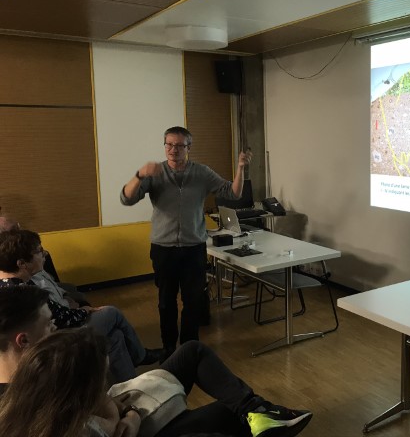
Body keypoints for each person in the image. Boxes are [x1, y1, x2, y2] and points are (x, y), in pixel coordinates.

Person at [0, 309, 313, 437]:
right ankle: (259, 415)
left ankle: (259, 412)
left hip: (130, 419)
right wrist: (129, 415)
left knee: (200, 363)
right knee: (228, 417)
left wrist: (126, 411)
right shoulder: (77, 427)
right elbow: (111, 417)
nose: (55, 325)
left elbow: (107, 406)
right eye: (49, 325)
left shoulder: (42, 389)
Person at [121, 126, 251, 359]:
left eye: (180, 145)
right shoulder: (155, 172)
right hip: (164, 249)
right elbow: (127, 198)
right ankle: (169, 348)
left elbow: (233, 193)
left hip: (193, 249)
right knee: (166, 302)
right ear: (165, 146)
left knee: (193, 302)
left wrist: (241, 168)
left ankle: (189, 348)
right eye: (169, 144)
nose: (173, 150)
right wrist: (139, 174)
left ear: (189, 147)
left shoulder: (201, 172)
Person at [0, 229, 162, 383]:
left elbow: (56, 314)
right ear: (22, 263)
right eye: (39, 251)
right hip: (54, 346)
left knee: (115, 337)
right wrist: (84, 311)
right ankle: (140, 360)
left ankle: (130, 386)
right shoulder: (23, 293)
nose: (45, 254)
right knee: (112, 313)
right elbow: (61, 319)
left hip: (52, 338)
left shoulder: (12, 285)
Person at [0, 214, 89, 307]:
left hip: (57, 300)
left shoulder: (24, 275)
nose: (21, 232)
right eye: (14, 230)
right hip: (59, 307)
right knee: (84, 300)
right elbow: (53, 309)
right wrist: (73, 306)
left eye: (18, 227)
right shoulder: (22, 287)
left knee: (74, 291)